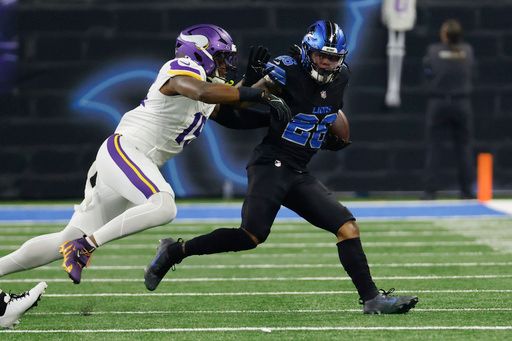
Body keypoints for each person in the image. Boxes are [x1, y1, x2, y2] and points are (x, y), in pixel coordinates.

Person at [144, 20, 419, 314]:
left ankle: (372, 299)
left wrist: (326, 131)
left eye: (333, 57)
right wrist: (250, 85)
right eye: (321, 55)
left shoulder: (342, 77)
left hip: (298, 171)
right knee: (251, 236)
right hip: (271, 164)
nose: (326, 63)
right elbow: (235, 108)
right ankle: (174, 251)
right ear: (307, 51)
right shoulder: (284, 70)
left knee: (347, 227)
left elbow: (330, 110)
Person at [0, 24, 291, 284]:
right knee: (164, 205)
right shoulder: (181, 69)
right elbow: (202, 92)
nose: (227, 64)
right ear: (199, 53)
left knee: (64, 239)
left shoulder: (208, 85)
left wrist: (265, 96)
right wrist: (261, 94)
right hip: (125, 150)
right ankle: (86, 245)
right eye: (221, 56)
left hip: (129, 161)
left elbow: (231, 113)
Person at [423, 19, 475, 200]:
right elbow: (472, 72)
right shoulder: (467, 51)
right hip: (462, 102)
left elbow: (427, 73)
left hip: (439, 102)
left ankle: (430, 192)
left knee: (434, 147)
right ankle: (467, 191)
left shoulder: (433, 51)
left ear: (444, 35)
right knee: (464, 148)